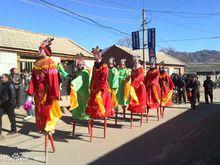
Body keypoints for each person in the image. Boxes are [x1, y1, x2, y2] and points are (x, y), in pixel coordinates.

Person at [27, 38, 62, 133]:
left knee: (47, 110)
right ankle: (42, 127)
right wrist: (30, 93)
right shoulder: (36, 64)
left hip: (47, 92)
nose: (39, 51)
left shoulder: (50, 62)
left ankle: (49, 126)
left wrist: (55, 94)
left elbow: (54, 79)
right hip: (38, 93)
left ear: (45, 51)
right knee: (39, 111)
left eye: (40, 49)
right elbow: (33, 80)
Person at [69, 53, 90, 121]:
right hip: (78, 91)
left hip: (84, 92)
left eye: (80, 65)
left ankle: (83, 115)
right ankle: (75, 115)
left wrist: (73, 83)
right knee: (76, 103)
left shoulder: (84, 72)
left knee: (83, 104)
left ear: (83, 65)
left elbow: (80, 78)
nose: (79, 66)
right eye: (78, 65)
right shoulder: (78, 71)